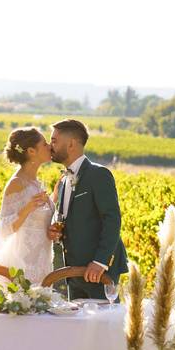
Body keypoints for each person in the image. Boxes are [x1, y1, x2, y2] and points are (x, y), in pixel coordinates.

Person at [46, 119, 128, 299]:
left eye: (54, 141)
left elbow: (112, 219)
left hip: (98, 271)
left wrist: (100, 262)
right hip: (74, 272)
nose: (49, 145)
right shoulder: (63, 181)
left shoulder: (99, 174)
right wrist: (57, 231)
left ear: (71, 144)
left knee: (101, 325)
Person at [0, 127, 55, 290]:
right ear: (31, 151)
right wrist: (27, 209)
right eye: (45, 144)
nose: (50, 146)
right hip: (20, 266)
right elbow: (4, 228)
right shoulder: (16, 184)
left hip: (42, 264)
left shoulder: (37, 183)